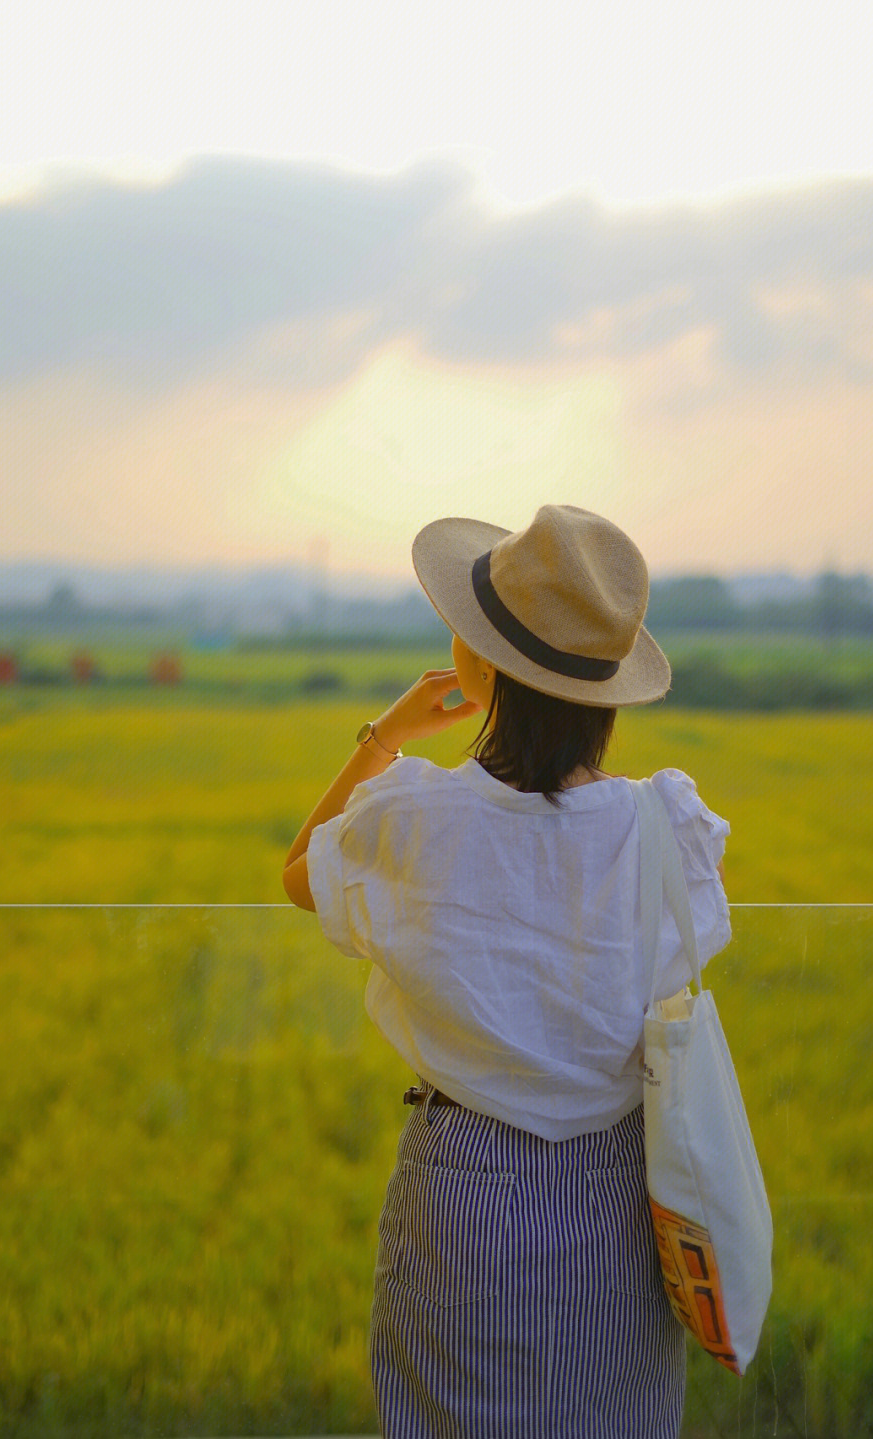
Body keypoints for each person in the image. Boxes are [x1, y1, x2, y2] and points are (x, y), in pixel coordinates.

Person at [282, 504, 731, 1438]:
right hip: (622, 1188)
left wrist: (385, 733)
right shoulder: (664, 827)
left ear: (481, 670)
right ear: (606, 694)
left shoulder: (419, 817)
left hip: (465, 1183)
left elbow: (300, 871)